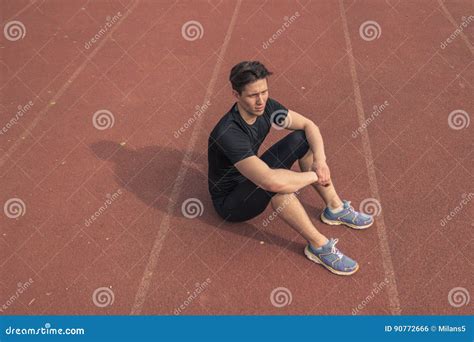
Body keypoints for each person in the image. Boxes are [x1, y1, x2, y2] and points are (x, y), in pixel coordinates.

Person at [207, 61, 373, 276]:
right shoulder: (229, 133)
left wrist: (320, 161)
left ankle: (335, 208)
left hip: (255, 172)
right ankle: (319, 246)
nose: (260, 101)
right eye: (252, 95)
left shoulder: (267, 108)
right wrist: (314, 175)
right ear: (236, 95)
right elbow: (271, 181)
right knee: (278, 188)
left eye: (264, 92)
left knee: (303, 138)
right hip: (231, 202)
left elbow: (309, 126)